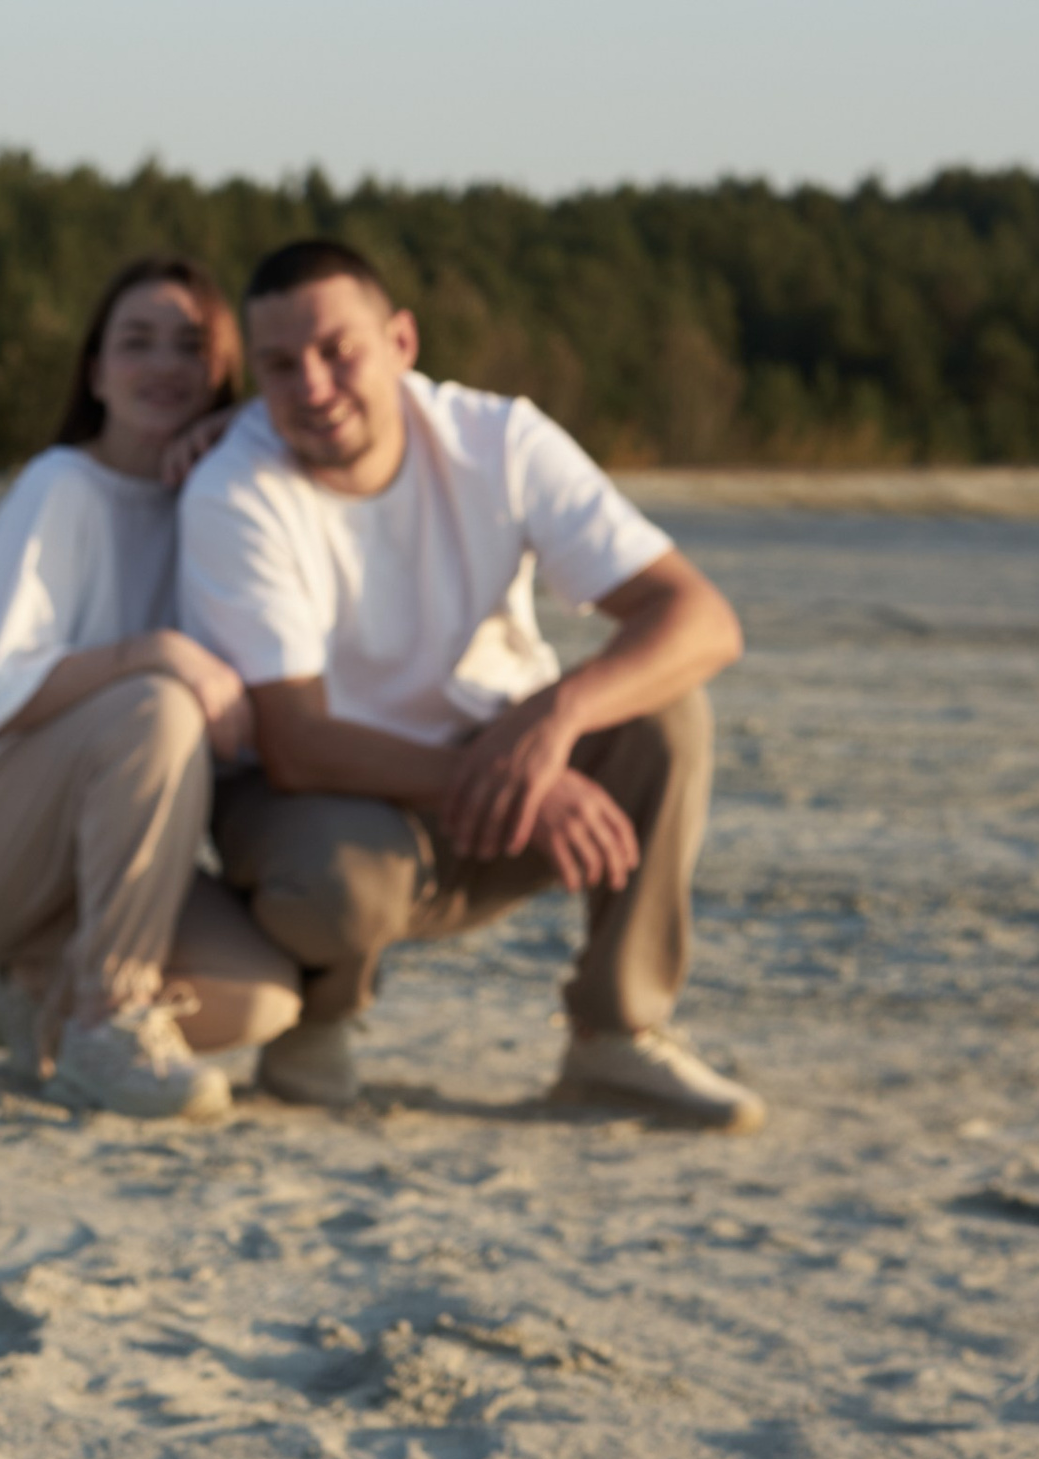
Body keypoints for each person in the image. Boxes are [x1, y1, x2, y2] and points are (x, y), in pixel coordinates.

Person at [178, 236, 756, 1126]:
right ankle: (322, 1016)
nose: (314, 388)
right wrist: (516, 776)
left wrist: (556, 721)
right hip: (317, 800)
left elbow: (701, 620)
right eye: (281, 365)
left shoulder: (499, 439)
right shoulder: (235, 490)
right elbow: (294, 742)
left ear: (402, 343)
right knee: (341, 876)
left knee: (663, 715)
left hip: (491, 772)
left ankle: (616, 1035)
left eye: (340, 352)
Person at [0, 256, 301, 1121]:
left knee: (262, 999)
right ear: (95, 370)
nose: (165, 366)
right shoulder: (59, 485)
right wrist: (158, 651)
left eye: (191, 346)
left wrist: (246, 437)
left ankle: (33, 994)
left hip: (86, 851)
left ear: (224, 373)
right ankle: (107, 1023)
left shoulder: (220, 505)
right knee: (159, 704)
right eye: (137, 342)